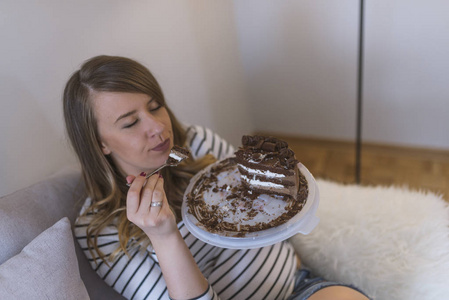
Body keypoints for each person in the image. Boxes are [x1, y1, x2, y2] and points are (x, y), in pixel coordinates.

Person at [64, 55, 370, 300]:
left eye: (156, 107)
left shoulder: (199, 145)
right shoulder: (101, 230)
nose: (157, 127)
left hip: (299, 288)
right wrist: (164, 237)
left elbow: (275, 217)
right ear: (99, 143)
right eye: (130, 123)